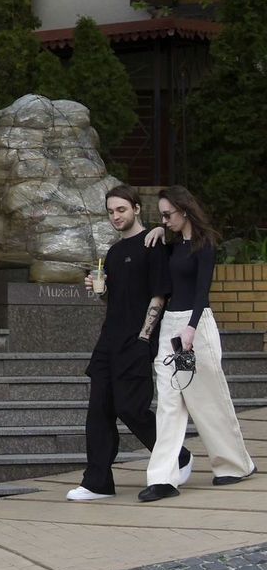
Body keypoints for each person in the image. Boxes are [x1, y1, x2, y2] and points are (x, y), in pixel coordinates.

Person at [67, 185, 192, 501]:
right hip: (109, 339)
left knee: (130, 408)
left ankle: (177, 456)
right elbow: (112, 299)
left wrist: (144, 337)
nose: (115, 216)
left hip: (137, 340)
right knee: (98, 411)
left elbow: (159, 294)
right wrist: (99, 291)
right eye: (110, 211)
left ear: (136, 208)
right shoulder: (113, 252)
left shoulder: (152, 244)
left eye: (121, 209)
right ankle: (97, 482)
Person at [137, 186, 256, 502]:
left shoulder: (205, 245)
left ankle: (235, 464)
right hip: (170, 328)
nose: (164, 220)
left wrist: (190, 329)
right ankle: (163, 478)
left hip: (196, 325)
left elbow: (203, 291)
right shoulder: (172, 246)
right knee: (168, 403)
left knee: (209, 399)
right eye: (161, 215)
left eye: (167, 214)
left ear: (184, 210)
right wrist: (159, 232)